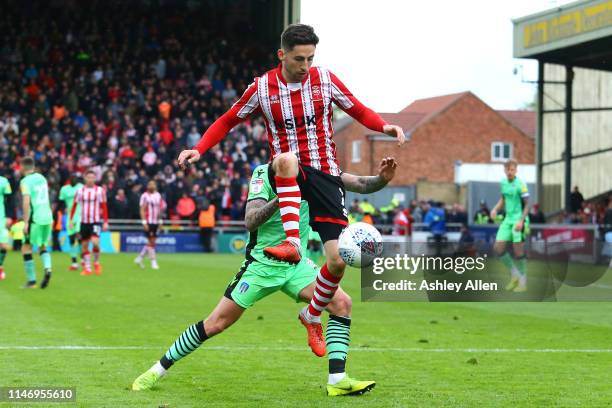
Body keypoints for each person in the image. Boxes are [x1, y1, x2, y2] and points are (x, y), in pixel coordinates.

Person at [178, 24, 405, 354]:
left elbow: (356, 109)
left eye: (311, 58)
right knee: (286, 158)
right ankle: (292, 242)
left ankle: (311, 316)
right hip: (287, 171)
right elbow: (228, 120)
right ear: (282, 55)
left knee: (338, 261)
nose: (306, 66)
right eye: (299, 59)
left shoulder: (325, 79)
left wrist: (384, 126)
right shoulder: (261, 87)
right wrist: (200, 148)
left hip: (325, 173)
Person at [132, 157, 397, 396]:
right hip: (262, 264)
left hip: (297, 266)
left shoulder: (318, 168)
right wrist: (283, 196)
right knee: (216, 323)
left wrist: (382, 179)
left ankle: (337, 379)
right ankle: (157, 370)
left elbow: (360, 183)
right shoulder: (263, 173)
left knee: (342, 304)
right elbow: (250, 221)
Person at [490, 159, 530, 292]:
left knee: (518, 251)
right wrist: (495, 209)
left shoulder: (521, 185)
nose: (509, 172)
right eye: (507, 169)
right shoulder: (503, 183)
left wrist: (521, 221)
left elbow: (527, 205)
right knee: (498, 248)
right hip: (507, 220)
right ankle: (515, 275)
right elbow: (503, 199)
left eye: (512, 169)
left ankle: (523, 282)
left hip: (519, 219)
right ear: (504, 170)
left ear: (516, 170)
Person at [19, 157, 53, 289]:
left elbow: (26, 201)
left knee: (26, 247)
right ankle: (48, 268)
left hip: (36, 217)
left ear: (22, 167)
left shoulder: (25, 181)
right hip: (47, 216)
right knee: (42, 246)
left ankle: (31, 280)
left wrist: (26, 222)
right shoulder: (42, 178)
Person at [69, 170, 109, 276]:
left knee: (95, 242)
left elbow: (104, 207)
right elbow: (74, 206)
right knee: (84, 245)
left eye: (92, 177)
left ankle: (96, 262)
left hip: (95, 221)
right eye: (88, 177)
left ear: (95, 179)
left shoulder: (100, 191)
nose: (90, 179)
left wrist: (105, 222)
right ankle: (87, 268)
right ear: (85, 178)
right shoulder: (80, 191)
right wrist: (71, 221)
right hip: (83, 222)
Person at [135, 180, 166, 270]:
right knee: (152, 242)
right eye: (150, 184)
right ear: (148, 186)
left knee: (152, 242)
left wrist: (160, 221)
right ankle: (153, 262)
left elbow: (160, 210)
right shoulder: (144, 196)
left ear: (155, 186)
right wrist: (144, 222)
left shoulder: (158, 195)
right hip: (148, 221)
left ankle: (140, 258)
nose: (152, 185)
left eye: (153, 184)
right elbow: (142, 209)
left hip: (156, 222)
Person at [58, 175, 84, 270]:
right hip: (70, 216)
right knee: (71, 239)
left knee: (81, 238)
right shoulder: (64, 189)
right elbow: (60, 203)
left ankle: (83, 259)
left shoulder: (82, 187)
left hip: (81, 215)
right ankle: (74, 263)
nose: (74, 180)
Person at [0, 174, 12, 280]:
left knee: (3, 245)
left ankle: (0, 266)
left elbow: (9, 199)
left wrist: (9, 216)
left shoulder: (3, 181)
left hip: (1, 217)